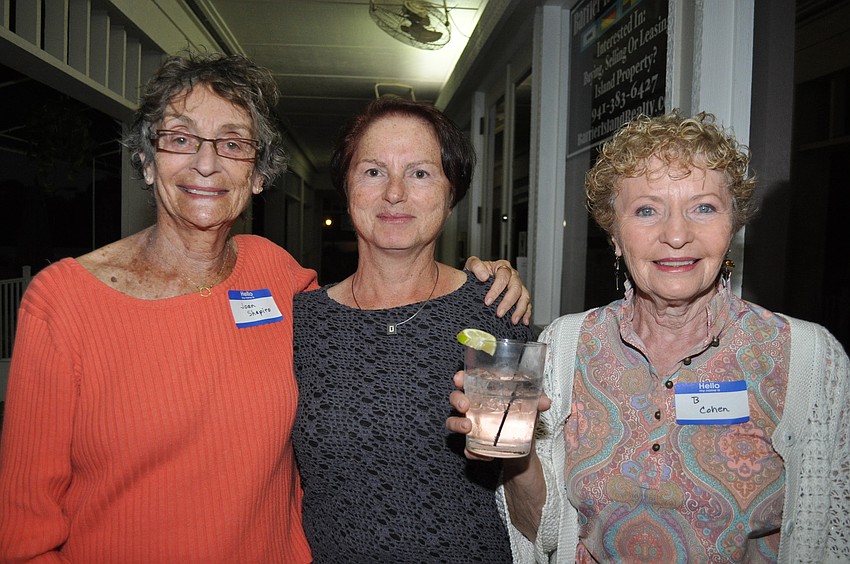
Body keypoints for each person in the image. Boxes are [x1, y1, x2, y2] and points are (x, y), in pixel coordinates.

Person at [0, 53, 526, 562]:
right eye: (180, 139)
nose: (206, 163)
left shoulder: (276, 276)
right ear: (144, 157)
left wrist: (487, 277)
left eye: (232, 144)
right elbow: (23, 533)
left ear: (256, 174)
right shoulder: (63, 302)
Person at [448, 111, 850, 563]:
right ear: (615, 236)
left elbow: (831, 536)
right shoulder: (567, 344)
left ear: (732, 226)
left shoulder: (807, 358)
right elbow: (544, 534)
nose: (677, 234)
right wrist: (510, 450)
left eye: (703, 207)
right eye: (646, 210)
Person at [291, 97, 534, 562]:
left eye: (420, 173)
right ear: (346, 188)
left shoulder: (494, 309)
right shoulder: (303, 323)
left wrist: (515, 448)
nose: (395, 193)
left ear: (451, 191)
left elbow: (524, 495)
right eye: (373, 171)